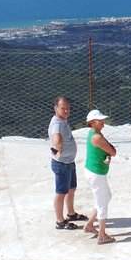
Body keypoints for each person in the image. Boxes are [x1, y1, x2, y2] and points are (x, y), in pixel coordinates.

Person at [48, 95, 86, 230]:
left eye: (68, 108)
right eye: (62, 108)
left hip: (69, 162)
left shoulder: (62, 120)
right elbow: (56, 139)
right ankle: (60, 221)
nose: (66, 111)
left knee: (71, 189)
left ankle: (71, 214)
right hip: (62, 164)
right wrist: (57, 153)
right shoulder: (56, 124)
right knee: (61, 192)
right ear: (55, 109)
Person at [83, 109, 117, 244]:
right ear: (92, 122)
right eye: (100, 120)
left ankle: (90, 225)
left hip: (94, 171)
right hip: (96, 174)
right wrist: (109, 154)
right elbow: (113, 151)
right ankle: (102, 235)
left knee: (106, 197)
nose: (103, 122)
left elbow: (107, 151)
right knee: (103, 203)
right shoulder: (97, 137)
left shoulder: (94, 133)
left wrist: (107, 155)